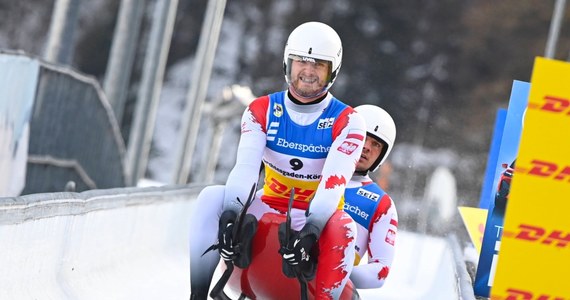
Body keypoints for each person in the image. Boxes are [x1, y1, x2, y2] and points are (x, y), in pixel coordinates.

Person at [189, 21, 366, 300]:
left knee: (344, 226)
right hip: (268, 206)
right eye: (300, 62)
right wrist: (230, 216)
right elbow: (246, 168)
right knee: (211, 197)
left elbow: (333, 183)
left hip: (314, 220)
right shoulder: (261, 110)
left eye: (318, 65)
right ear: (287, 63)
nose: (307, 72)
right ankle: (197, 295)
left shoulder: (349, 121)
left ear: (332, 71)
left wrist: (312, 228)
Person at [345, 104, 398, 289]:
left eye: (376, 144)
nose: (366, 147)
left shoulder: (382, 204)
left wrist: (332, 272)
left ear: (382, 155)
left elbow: (380, 272)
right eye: (363, 137)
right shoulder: (311, 171)